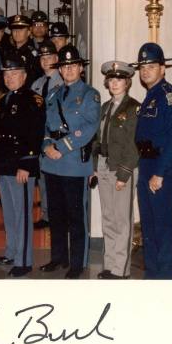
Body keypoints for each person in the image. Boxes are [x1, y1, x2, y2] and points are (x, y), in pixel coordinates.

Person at [40, 45, 100, 279]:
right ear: (61, 70)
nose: (69, 70)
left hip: (74, 163)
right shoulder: (53, 93)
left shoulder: (89, 94)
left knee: (76, 217)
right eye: (65, 66)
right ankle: (58, 257)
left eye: (73, 65)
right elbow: (46, 124)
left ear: (80, 68)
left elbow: (89, 128)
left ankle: (77, 263)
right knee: (55, 215)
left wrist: (61, 147)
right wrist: (46, 145)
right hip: (51, 163)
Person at [131, 42, 172, 280]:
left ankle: (167, 281)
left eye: (151, 66)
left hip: (165, 166)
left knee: (163, 229)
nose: (145, 71)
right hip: (147, 166)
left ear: (163, 68)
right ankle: (152, 277)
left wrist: (160, 173)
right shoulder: (149, 97)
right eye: (142, 66)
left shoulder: (171, 96)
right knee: (149, 228)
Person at [0, 58, 46, 277]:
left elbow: (34, 134)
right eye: (6, 74)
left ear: (24, 76)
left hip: (20, 166)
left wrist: (26, 164)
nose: (10, 78)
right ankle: (12, 252)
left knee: (22, 214)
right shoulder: (3, 100)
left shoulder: (33, 100)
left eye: (14, 74)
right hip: (4, 165)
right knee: (10, 213)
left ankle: (24, 260)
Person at [91, 61, 140, 279]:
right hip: (103, 166)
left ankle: (121, 269)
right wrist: (94, 167)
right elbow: (98, 140)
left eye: (119, 79)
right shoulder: (105, 108)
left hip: (121, 169)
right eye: (111, 79)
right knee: (108, 218)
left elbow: (134, 145)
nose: (115, 83)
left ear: (127, 82)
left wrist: (124, 174)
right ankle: (110, 265)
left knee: (122, 220)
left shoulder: (133, 108)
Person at [31, 41, 63, 230]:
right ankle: (46, 214)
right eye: (42, 58)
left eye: (49, 57)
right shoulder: (37, 84)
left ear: (56, 59)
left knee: (57, 180)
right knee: (43, 178)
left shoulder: (63, 81)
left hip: (56, 138)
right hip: (40, 137)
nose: (45, 61)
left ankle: (58, 216)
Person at [7, 13, 40, 87]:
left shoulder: (32, 54)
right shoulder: (9, 52)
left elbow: (35, 78)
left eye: (21, 29)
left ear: (28, 32)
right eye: (14, 29)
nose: (17, 32)